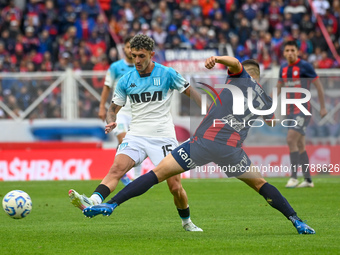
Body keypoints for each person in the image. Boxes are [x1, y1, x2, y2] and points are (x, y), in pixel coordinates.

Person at [82, 56, 316, 235]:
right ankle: (297, 220)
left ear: (246, 72)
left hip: (204, 143)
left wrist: (217, 59)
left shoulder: (240, 77)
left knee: (157, 174)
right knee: (261, 184)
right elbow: (272, 121)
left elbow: (234, 62)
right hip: (231, 151)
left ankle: (111, 204)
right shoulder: (263, 97)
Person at [69, 34, 203, 232]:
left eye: (141, 56)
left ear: (151, 54)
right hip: (137, 134)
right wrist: (110, 121)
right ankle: (93, 200)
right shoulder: (126, 80)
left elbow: (193, 93)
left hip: (163, 136)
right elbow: (112, 109)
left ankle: (186, 222)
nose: (137, 61)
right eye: (133, 56)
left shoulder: (168, 74)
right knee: (117, 169)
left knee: (175, 187)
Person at [277, 41, 327, 188]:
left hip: (303, 110)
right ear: (284, 53)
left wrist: (322, 107)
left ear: (297, 51)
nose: (290, 53)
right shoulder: (283, 68)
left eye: (293, 50)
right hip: (289, 111)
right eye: (287, 50)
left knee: (291, 140)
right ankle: (308, 180)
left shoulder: (304, 66)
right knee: (300, 145)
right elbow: (278, 87)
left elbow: (318, 85)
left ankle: (293, 177)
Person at [98, 35, 139, 186]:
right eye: (128, 47)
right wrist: (102, 106)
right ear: (124, 49)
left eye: (132, 48)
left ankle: (132, 175)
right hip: (119, 112)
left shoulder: (140, 66)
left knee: (136, 142)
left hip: (136, 112)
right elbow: (107, 87)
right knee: (123, 140)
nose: (130, 50)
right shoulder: (115, 67)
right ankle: (122, 173)